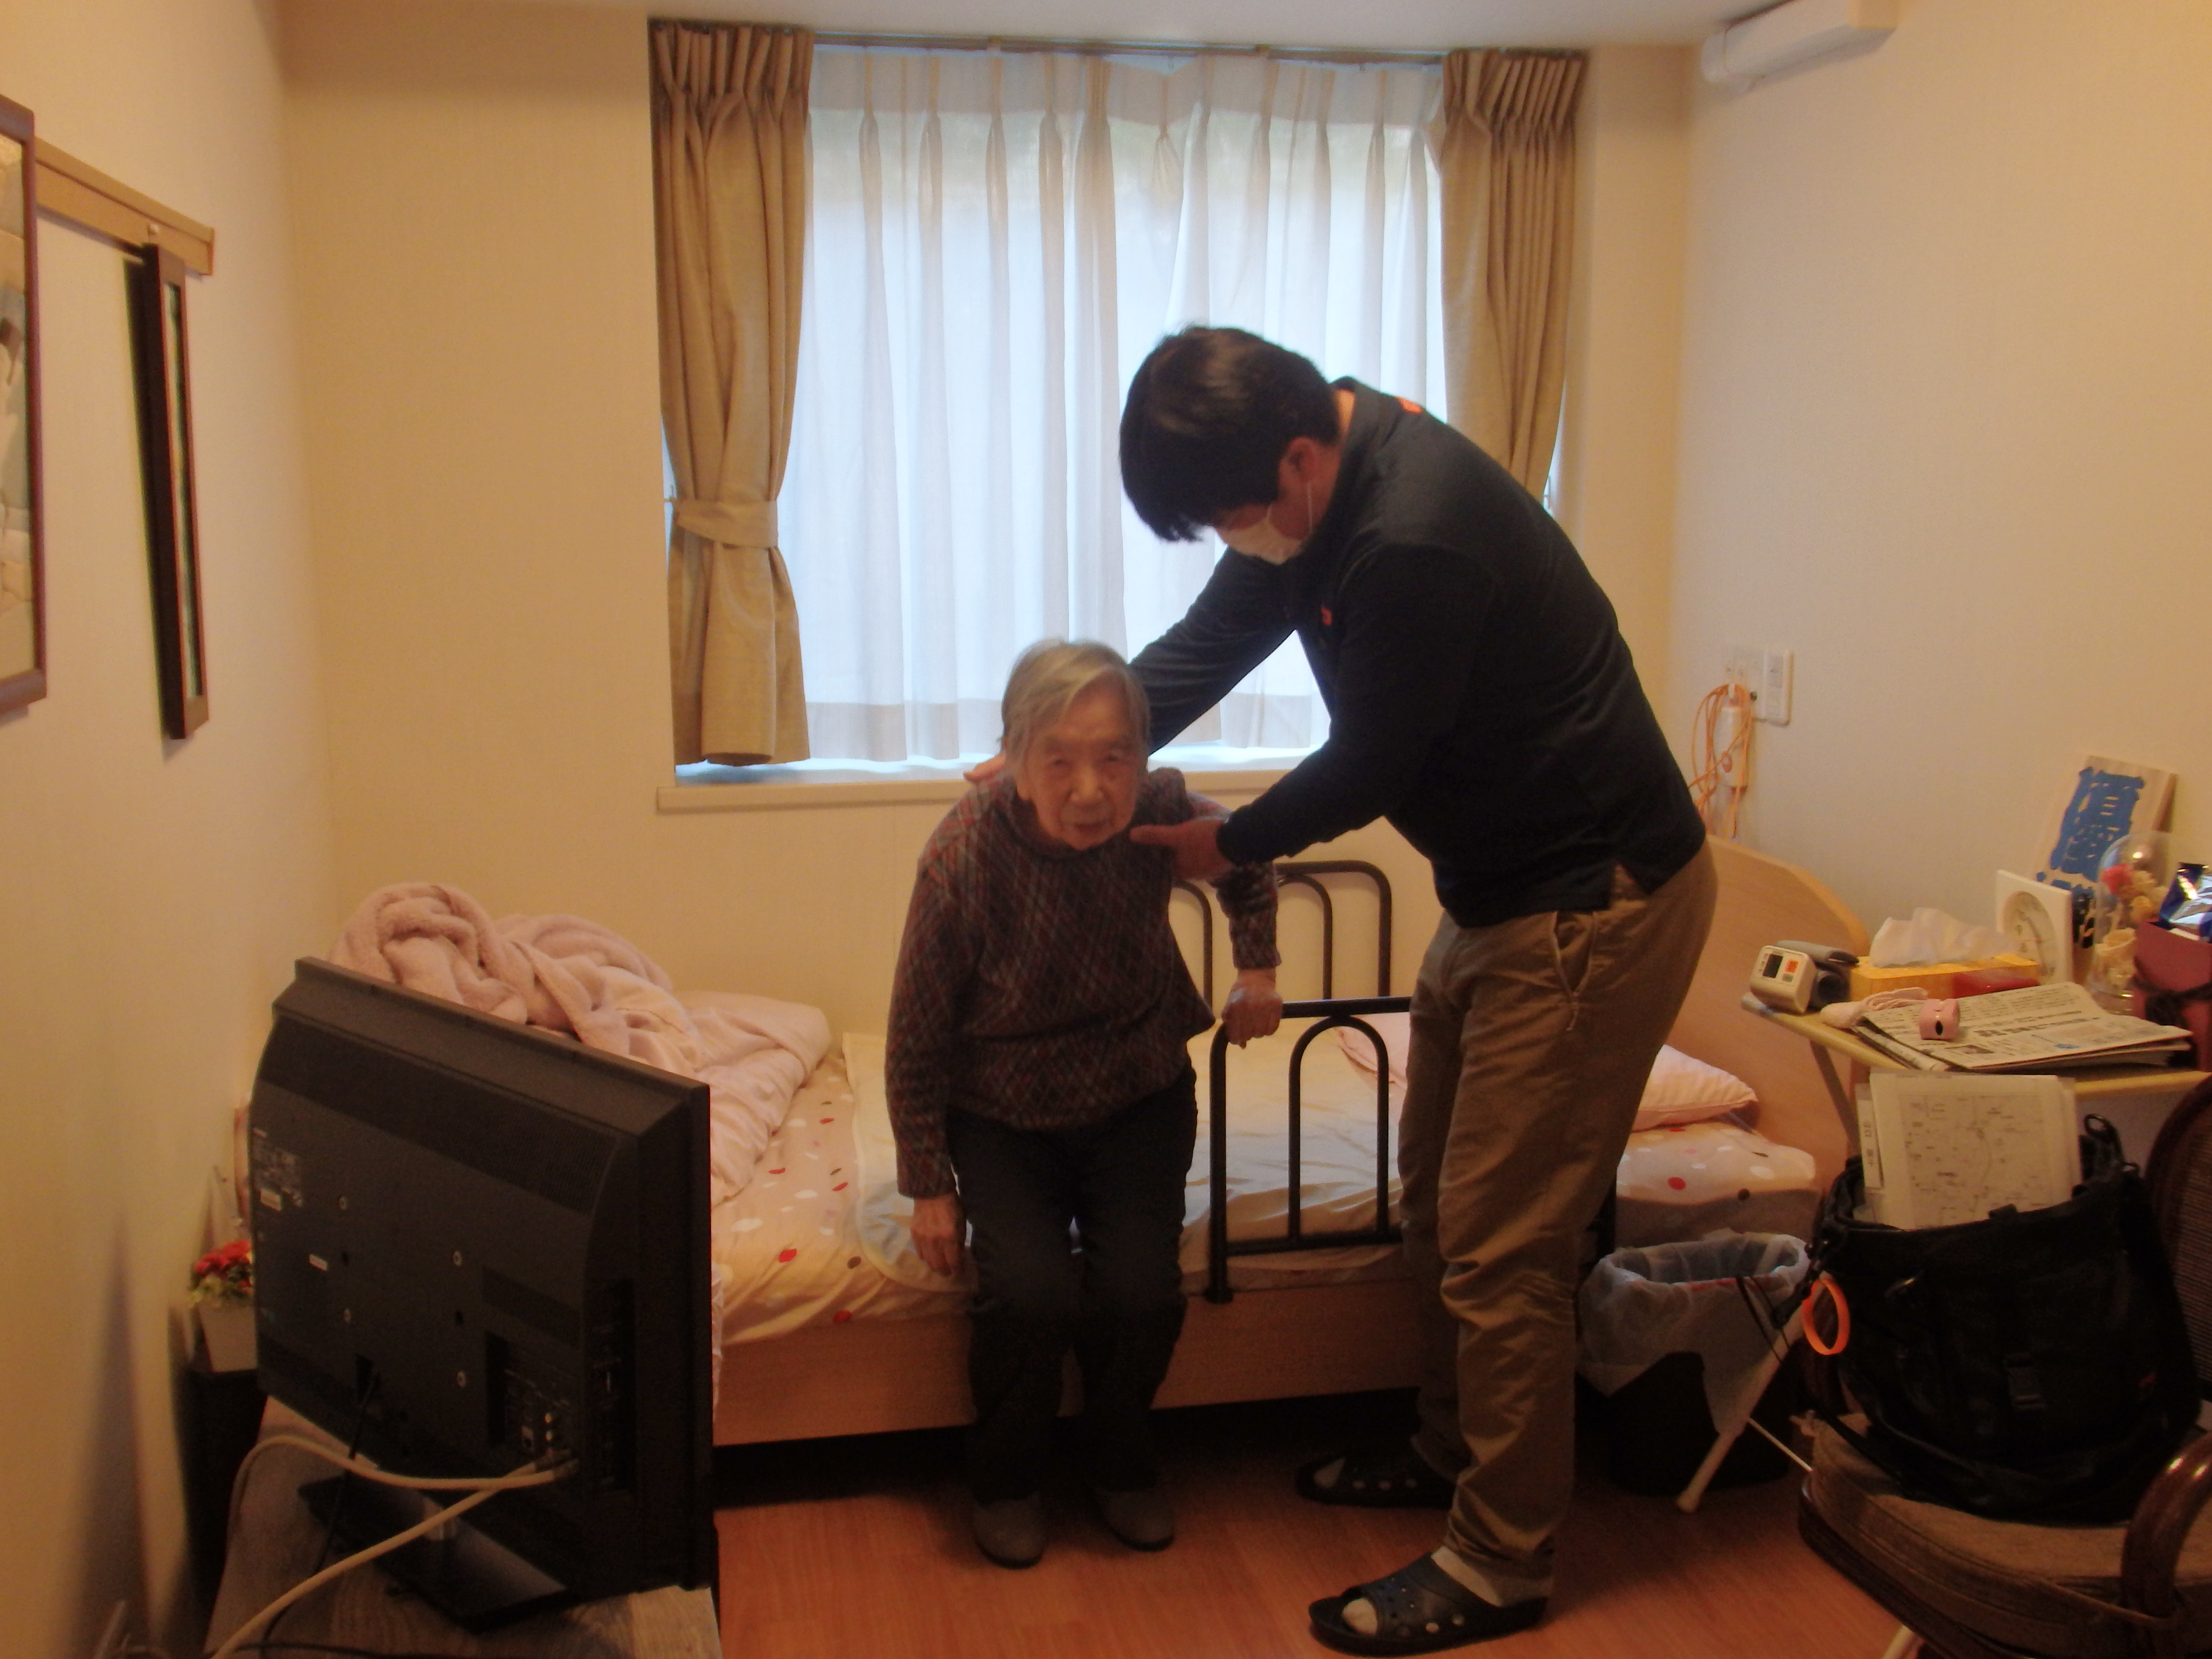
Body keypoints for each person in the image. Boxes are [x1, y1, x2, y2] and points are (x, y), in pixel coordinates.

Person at [1116, 327, 1717, 1653]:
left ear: (1296, 459)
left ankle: (1502, 1560)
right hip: (1500, 893)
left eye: (1229, 518)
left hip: (1593, 900)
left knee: (1504, 1245)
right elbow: (1214, 636)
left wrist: (1229, 844)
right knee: (1437, 1202)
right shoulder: (1314, 488)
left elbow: (1372, 762)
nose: (1234, 543)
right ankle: (1450, 1455)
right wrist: (1077, 737)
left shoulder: (1414, 536)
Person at [886, 638, 1283, 1570]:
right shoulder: (964, 854)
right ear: (1014, 759)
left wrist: (1257, 968)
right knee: (1028, 1295)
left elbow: (1247, 853)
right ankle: (1007, 1480)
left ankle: (1119, 1463)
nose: (1091, 788)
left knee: (1141, 1292)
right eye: (1059, 759)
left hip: (1138, 1096)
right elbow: (917, 1033)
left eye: (1114, 756)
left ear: (1141, 757)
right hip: (1003, 1117)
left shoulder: (1159, 812)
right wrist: (928, 1183)